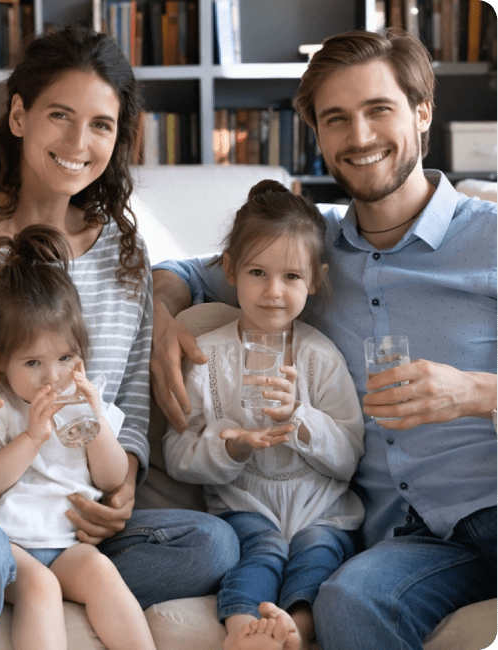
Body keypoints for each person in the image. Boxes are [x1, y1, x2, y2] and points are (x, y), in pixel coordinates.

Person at [151, 28, 497, 650]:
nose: (359, 137)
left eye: (378, 110)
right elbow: (183, 270)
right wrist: (161, 317)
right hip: (410, 539)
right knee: (348, 600)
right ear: (318, 136)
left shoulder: (492, 237)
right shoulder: (305, 251)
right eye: (337, 119)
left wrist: (476, 392)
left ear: (422, 112)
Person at [0, 26, 238, 650]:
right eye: (60, 115)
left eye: (102, 125)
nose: (80, 143)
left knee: (212, 542)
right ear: (20, 115)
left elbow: (129, 411)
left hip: (61, 519)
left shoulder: (125, 257)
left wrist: (126, 483)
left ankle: (38, 575)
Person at [162, 180, 365, 650]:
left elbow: (349, 456)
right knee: (261, 551)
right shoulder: (206, 357)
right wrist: (228, 446)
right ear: (231, 271)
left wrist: (301, 417)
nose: (274, 292)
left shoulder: (320, 356)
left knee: (320, 552)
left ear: (315, 280)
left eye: (292, 277)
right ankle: (243, 629)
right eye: (258, 272)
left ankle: (297, 625)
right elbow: (178, 455)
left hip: (322, 511)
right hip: (244, 507)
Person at [0, 224, 157, 650]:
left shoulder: (84, 401)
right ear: (1, 360)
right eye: (32, 363)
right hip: (3, 541)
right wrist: (31, 436)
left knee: (102, 574)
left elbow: (113, 479)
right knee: (40, 587)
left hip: (65, 543)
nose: (53, 376)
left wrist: (95, 423)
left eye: (66, 357)